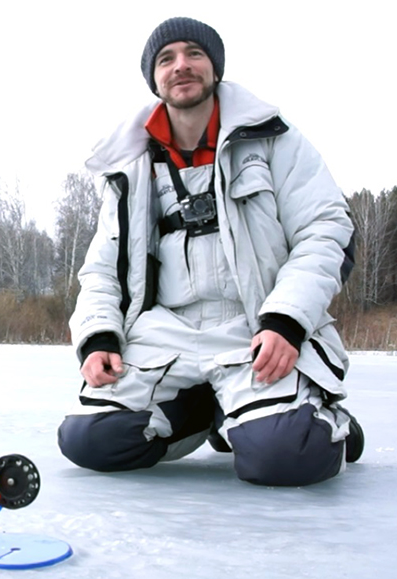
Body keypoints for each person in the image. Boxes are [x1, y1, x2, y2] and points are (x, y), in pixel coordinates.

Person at [57, 16, 364, 486]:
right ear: (154, 78)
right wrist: (98, 337)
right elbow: (101, 270)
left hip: (254, 323)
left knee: (284, 458)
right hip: (166, 332)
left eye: (194, 54)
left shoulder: (273, 138)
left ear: (214, 68)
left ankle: (328, 424)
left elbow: (327, 230)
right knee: (88, 439)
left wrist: (285, 321)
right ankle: (212, 408)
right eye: (166, 59)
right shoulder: (129, 169)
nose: (181, 66)